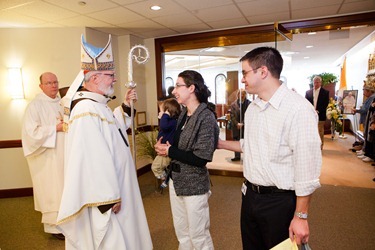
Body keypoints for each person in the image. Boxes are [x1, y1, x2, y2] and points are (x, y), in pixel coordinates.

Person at [218, 47, 321, 249]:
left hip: (279, 203)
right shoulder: (253, 109)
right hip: (249, 197)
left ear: (263, 72)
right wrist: (219, 143)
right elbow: (251, 145)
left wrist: (301, 216)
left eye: (245, 72)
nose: (242, 79)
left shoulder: (298, 109)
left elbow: (307, 168)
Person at [56, 35, 153, 249]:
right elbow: (92, 157)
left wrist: (126, 105)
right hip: (107, 193)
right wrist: (108, 198)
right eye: (110, 75)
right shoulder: (85, 110)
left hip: (119, 184)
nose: (114, 79)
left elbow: (114, 129)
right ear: (94, 78)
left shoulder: (98, 105)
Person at [154, 70, 219, 250]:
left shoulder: (206, 117)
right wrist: (164, 147)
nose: (174, 91)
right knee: (182, 233)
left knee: (199, 236)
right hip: (176, 180)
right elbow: (177, 146)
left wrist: (170, 151)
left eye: (178, 86)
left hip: (194, 184)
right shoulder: (183, 114)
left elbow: (201, 158)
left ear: (191, 88)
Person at [21, 72, 65, 240]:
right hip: (46, 158)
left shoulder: (62, 103)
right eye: (48, 83)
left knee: (63, 188)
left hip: (62, 154)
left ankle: (67, 224)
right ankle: (55, 228)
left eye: (55, 82)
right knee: (52, 190)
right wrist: (55, 128)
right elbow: (31, 134)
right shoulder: (35, 106)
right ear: (41, 86)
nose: (53, 85)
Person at [152, 98, 181, 184]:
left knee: (155, 167)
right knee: (158, 166)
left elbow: (164, 126)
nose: (161, 113)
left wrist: (164, 115)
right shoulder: (170, 121)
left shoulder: (172, 122)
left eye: (163, 111)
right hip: (164, 149)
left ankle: (165, 179)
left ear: (168, 111)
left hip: (166, 151)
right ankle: (165, 177)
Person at [305, 75, 330, 149]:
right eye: (314, 82)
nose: (315, 84)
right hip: (310, 114)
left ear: (320, 83)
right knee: (311, 130)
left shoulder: (325, 92)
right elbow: (306, 103)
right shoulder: (308, 92)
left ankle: (320, 145)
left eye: (317, 82)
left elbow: (325, 103)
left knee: (320, 131)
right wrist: (311, 110)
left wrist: (317, 111)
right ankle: (312, 145)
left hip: (320, 115)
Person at [229, 88, 250, 161]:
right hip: (236, 126)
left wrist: (243, 123)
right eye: (240, 94)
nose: (242, 95)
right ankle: (237, 156)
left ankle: (247, 157)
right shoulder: (233, 104)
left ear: (245, 95)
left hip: (245, 126)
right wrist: (237, 123)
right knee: (236, 140)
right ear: (238, 95)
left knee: (246, 141)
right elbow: (232, 115)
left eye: (243, 94)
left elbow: (249, 115)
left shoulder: (249, 104)